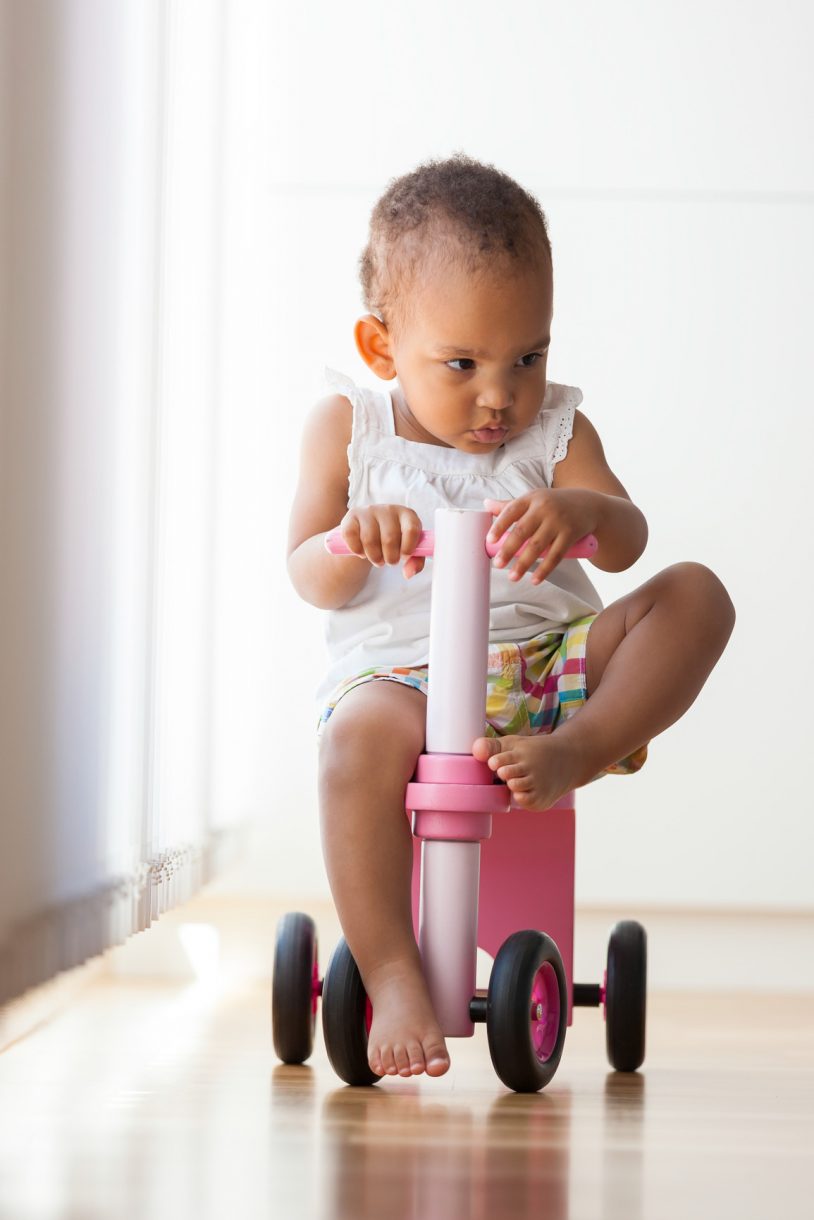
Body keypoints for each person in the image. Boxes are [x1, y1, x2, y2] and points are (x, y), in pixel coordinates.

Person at [287, 154, 735, 1081]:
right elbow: (308, 576)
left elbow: (629, 542)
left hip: (545, 671)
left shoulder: (556, 434)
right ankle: (392, 970)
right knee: (351, 748)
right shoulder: (348, 429)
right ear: (383, 350)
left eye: (528, 356)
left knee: (698, 594)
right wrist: (351, 539)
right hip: (402, 682)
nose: (500, 395)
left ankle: (585, 744)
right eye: (463, 364)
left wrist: (585, 512)